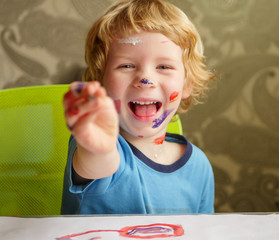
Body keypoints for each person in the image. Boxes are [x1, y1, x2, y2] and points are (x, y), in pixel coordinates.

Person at [61, 0, 216, 214]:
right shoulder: (98, 145)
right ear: (100, 80)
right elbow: (98, 161)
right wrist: (98, 146)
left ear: (187, 84)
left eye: (164, 66)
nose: (145, 78)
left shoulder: (199, 166)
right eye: (127, 65)